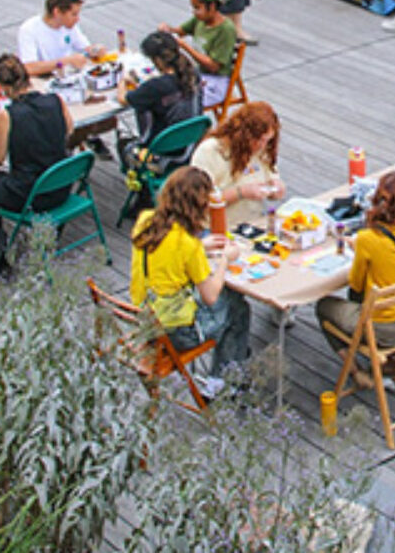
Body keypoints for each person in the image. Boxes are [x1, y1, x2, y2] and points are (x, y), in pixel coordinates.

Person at [131, 165, 251, 394]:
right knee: (237, 307)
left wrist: (201, 249)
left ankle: (228, 373)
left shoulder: (145, 220)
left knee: (229, 301)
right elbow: (211, 296)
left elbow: (165, 253)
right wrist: (224, 259)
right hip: (176, 332)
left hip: (144, 314)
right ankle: (224, 384)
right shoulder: (188, 244)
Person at [314, 171, 395, 391]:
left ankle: (358, 372)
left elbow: (356, 284)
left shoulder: (368, 240)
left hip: (385, 329)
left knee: (324, 306)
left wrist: (360, 249)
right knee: (371, 293)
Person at [0, 51, 70, 225]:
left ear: (4, 87)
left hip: (29, 194)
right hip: (61, 186)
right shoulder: (56, 99)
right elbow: (69, 129)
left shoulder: (8, 115)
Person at [190, 101, 287, 229]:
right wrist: (240, 193)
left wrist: (276, 188)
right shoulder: (210, 151)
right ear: (242, 135)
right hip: (216, 228)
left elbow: (272, 177)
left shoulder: (262, 150)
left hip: (253, 223)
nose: (262, 146)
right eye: (258, 140)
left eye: (267, 140)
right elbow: (200, 202)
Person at [159, 0, 239, 110]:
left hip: (214, 83)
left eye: (197, 8)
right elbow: (181, 31)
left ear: (212, 6)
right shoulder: (200, 20)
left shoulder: (226, 30)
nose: (194, 12)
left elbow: (214, 66)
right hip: (196, 74)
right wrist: (168, 29)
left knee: (175, 103)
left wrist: (185, 47)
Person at [123, 30, 201, 151]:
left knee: (123, 144)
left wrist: (122, 81)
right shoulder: (192, 73)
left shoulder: (155, 86)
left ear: (157, 60)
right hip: (190, 142)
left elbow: (123, 99)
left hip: (161, 149)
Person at [16, 0, 98, 77]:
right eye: (74, 14)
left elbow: (85, 48)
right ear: (57, 12)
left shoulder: (69, 26)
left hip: (68, 76)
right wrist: (67, 61)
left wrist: (96, 50)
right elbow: (29, 67)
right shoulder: (28, 30)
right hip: (43, 80)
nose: (77, 19)